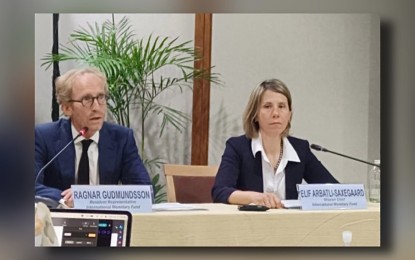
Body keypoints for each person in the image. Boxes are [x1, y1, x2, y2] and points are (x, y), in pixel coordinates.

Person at [211, 79, 338, 209]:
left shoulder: (300, 149)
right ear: (255, 114)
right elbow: (220, 192)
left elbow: (334, 190)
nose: (276, 114)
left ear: (289, 114)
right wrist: (255, 198)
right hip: (249, 225)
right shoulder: (238, 147)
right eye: (267, 106)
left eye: (282, 106)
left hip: (291, 226)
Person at [35, 67, 151, 207]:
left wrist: (90, 196)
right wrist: (67, 199)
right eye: (87, 99)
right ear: (67, 108)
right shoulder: (43, 137)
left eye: (101, 97)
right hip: (59, 223)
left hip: (106, 223)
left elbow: (145, 192)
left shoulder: (121, 138)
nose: (97, 107)